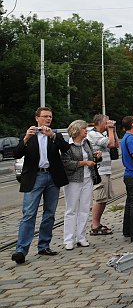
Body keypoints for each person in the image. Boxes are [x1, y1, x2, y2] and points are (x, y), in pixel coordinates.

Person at [11, 107, 70, 264]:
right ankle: (21, 250)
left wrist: (53, 137)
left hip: (52, 176)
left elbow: (66, 149)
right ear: (37, 118)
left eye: (50, 117)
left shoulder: (54, 135)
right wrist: (25, 139)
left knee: (49, 213)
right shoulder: (29, 135)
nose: (48, 119)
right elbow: (16, 153)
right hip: (35, 177)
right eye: (45, 116)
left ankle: (44, 245)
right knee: (29, 213)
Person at [61, 120, 100, 250]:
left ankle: (81, 237)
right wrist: (84, 163)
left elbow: (90, 157)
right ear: (77, 130)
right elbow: (66, 163)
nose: (86, 131)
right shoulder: (68, 145)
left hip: (88, 178)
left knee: (84, 208)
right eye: (84, 129)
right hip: (73, 180)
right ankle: (68, 239)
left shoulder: (86, 143)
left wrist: (95, 156)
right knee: (71, 209)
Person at [87, 114, 118, 236]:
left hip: (106, 170)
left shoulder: (102, 134)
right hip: (99, 172)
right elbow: (110, 144)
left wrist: (113, 131)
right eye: (107, 122)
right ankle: (94, 225)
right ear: (100, 123)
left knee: (104, 199)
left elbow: (115, 145)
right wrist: (110, 130)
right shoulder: (93, 134)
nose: (109, 123)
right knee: (99, 198)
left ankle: (98, 223)